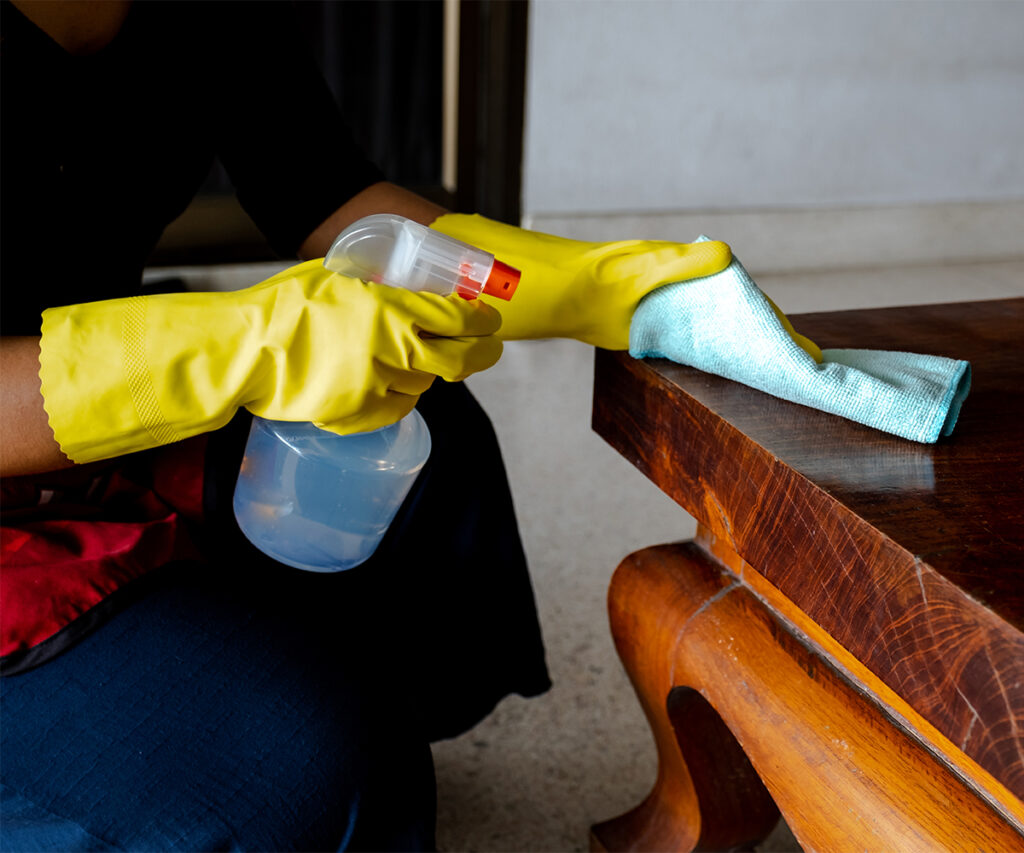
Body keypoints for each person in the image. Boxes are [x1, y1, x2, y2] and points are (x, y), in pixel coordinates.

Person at [0, 2, 811, 849]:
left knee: (419, 428)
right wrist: (233, 345)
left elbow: (333, 194)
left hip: (101, 430)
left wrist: (605, 288)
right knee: (303, 777)